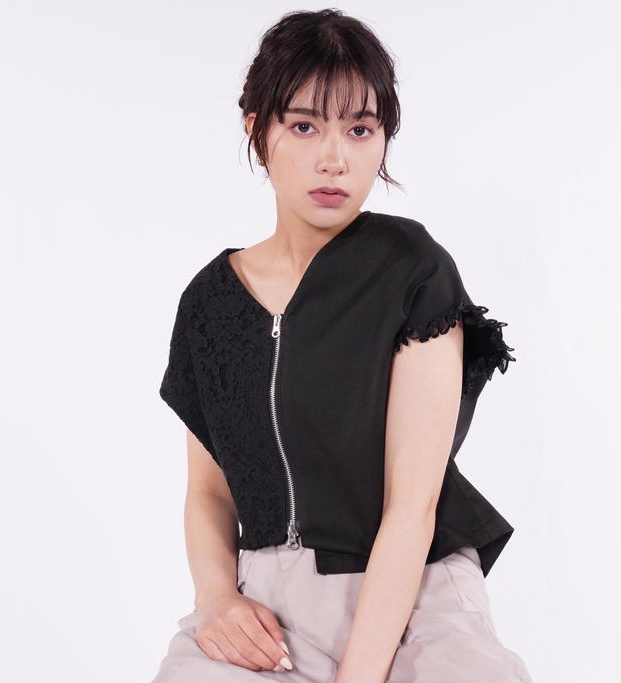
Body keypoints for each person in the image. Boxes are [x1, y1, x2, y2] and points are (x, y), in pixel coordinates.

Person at [152, 9, 534, 683]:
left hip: (412, 594)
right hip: (267, 608)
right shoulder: (210, 303)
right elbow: (209, 494)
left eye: (360, 129)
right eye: (304, 126)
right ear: (258, 132)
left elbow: (411, 508)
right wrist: (216, 598)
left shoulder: (412, 271)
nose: (335, 158)